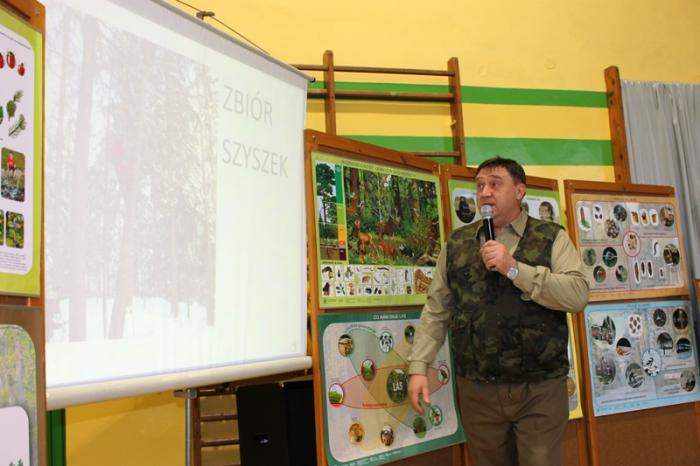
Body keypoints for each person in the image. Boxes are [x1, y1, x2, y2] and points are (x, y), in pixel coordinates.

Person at [407, 156, 589, 466]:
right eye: (480, 186)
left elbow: (578, 294)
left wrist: (514, 268)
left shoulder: (551, 237)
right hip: (478, 391)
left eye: (495, 184)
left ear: (519, 191)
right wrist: (418, 366)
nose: (485, 193)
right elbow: (437, 310)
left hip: (539, 389)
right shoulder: (457, 244)